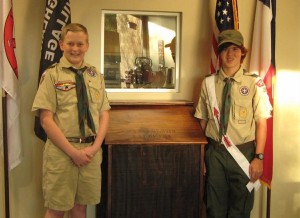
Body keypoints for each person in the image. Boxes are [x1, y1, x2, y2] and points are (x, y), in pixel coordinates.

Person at [32, 23, 110, 218]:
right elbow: (46, 120)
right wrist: (72, 152)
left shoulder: (96, 75)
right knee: (56, 209)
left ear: (87, 45)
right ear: (61, 45)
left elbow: (104, 114)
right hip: (62, 153)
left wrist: (95, 148)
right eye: (70, 43)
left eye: (80, 44)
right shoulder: (52, 75)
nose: (75, 48)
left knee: (80, 208)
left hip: (90, 152)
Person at [194, 29, 272, 218]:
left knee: (241, 209)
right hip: (215, 154)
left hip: (244, 154)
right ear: (219, 53)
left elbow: (261, 123)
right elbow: (203, 121)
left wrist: (259, 158)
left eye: (235, 49)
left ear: (242, 53)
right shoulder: (208, 83)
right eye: (225, 49)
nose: (230, 54)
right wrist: (203, 156)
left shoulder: (254, 83)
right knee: (215, 208)